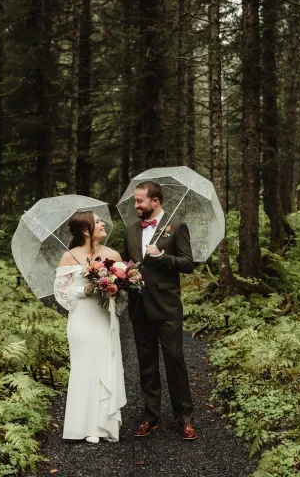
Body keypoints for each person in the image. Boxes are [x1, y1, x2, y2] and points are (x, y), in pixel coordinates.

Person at [121, 181, 198, 440]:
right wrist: (121, 272)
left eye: (140, 201)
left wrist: (162, 257)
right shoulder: (131, 229)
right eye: (135, 201)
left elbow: (188, 264)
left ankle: (185, 417)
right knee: (146, 363)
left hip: (167, 306)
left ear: (155, 201)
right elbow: (126, 260)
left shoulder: (176, 227)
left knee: (174, 360)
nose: (136, 206)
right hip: (139, 305)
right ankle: (150, 416)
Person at [53, 211, 126, 443]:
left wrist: (114, 288)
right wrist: (83, 290)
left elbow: (124, 290)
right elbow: (61, 293)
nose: (103, 223)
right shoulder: (69, 257)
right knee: (84, 368)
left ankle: (102, 426)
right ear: (86, 230)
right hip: (82, 319)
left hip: (105, 317)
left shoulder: (113, 254)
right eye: (97, 221)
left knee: (105, 366)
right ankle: (81, 427)